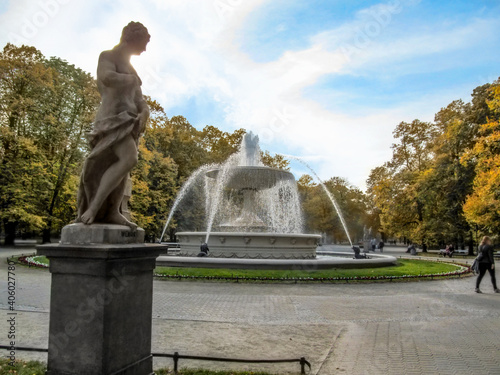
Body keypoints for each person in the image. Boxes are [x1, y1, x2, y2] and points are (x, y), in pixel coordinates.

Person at [76, 22, 151, 229]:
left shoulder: (132, 69)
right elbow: (106, 77)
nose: (145, 49)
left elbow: (140, 100)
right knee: (129, 158)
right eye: (143, 43)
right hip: (111, 119)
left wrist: (145, 111)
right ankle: (93, 208)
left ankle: (112, 212)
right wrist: (131, 80)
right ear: (131, 38)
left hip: (129, 121)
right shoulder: (108, 56)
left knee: (122, 169)